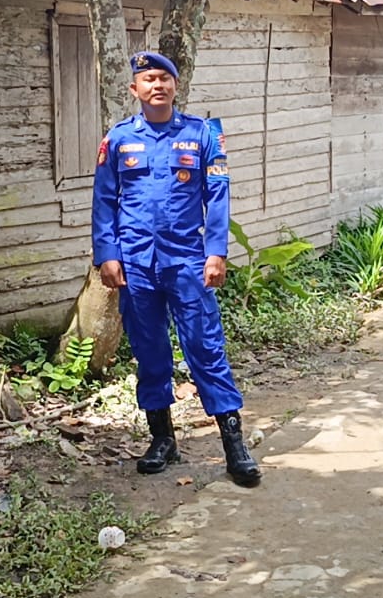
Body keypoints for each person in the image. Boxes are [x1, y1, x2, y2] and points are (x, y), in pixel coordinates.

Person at [91, 51, 260, 488]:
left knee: (205, 348)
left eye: (164, 78)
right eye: (148, 79)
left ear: (175, 86)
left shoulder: (203, 135)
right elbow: (105, 200)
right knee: (149, 352)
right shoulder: (118, 139)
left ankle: (233, 445)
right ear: (134, 89)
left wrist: (216, 252)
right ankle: (162, 439)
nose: (157, 85)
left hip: (186, 260)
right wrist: (106, 253)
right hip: (135, 263)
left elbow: (217, 196)